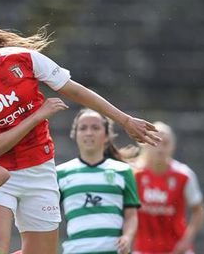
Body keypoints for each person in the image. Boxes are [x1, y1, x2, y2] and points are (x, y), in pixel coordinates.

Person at [0, 8, 160, 254]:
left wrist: (124, 120)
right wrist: (37, 115)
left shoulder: (23, 59)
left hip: (39, 166)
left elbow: (75, 90)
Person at [56, 109, 141, 254]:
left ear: (107, 135)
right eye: (83, 128)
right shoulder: (60, 173)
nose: (89, 133)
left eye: (95, 128)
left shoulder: (123, 171)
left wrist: (127, 237)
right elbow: (49, 218)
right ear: (75, 135)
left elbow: (131, 215)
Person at [129, 121, 204, 254]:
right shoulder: (133, 174)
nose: (160, 148)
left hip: (177, 249)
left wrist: (186, 242)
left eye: (165, 143)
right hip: (143, 249)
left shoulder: (184, 175)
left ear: (173, 146)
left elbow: (199, 211)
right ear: (145, 144)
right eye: (155, 142)